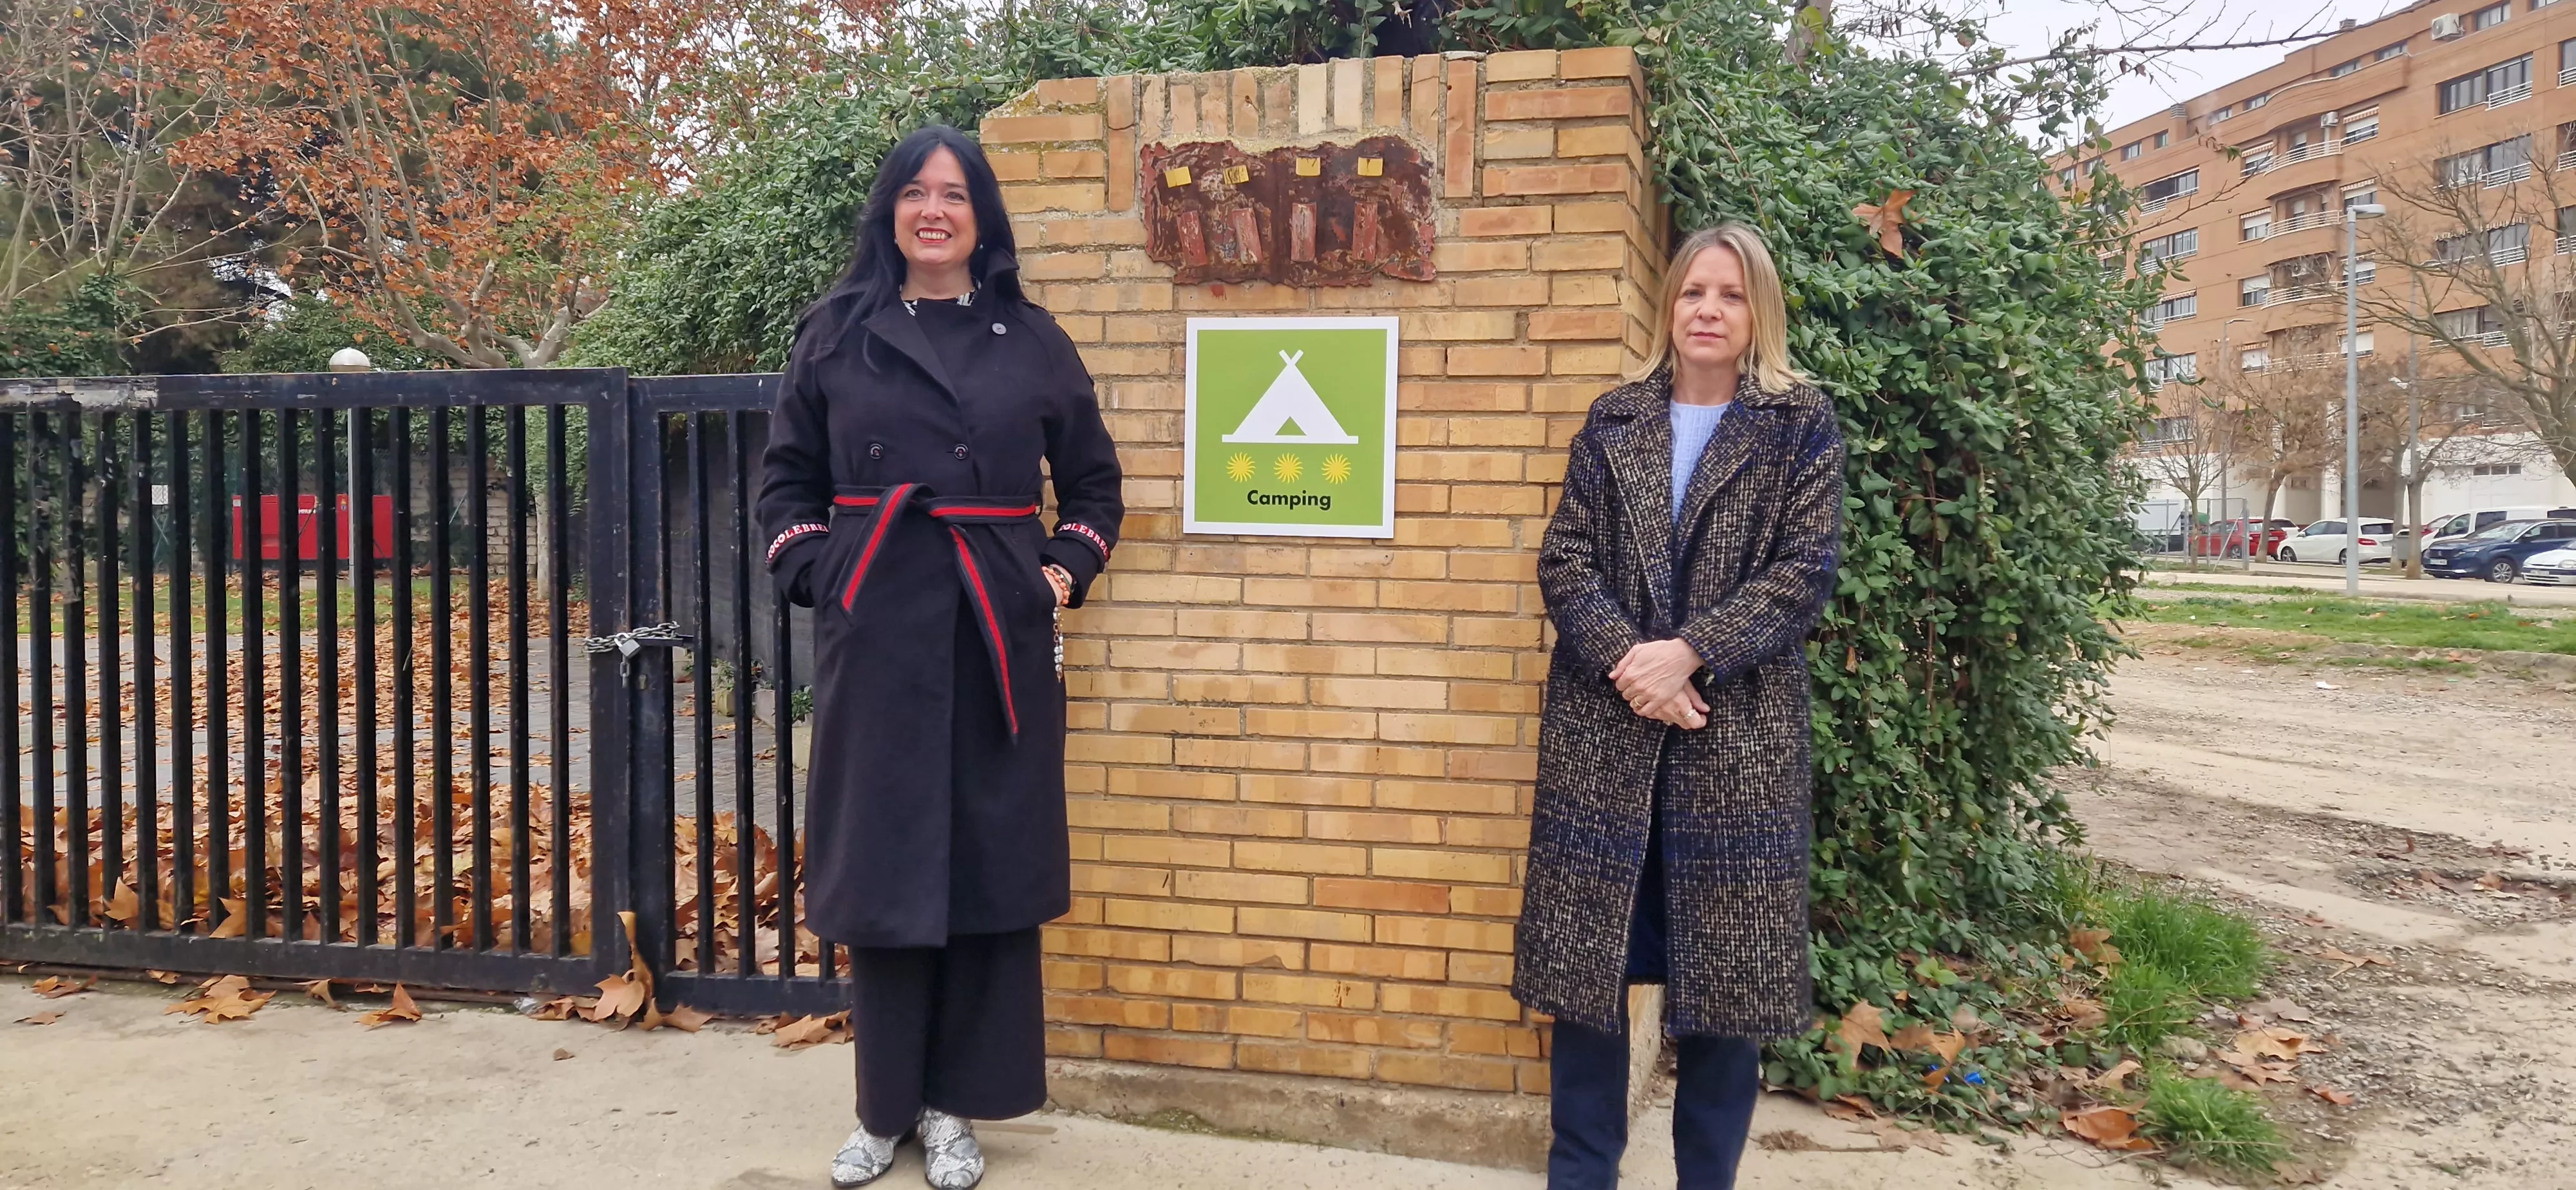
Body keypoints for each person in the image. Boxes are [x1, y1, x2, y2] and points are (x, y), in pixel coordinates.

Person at [757, 124, 1124, 1190]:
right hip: (881, 640)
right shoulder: (835, 332)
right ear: (890, 212)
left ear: (982, 218)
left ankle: (955, 1107)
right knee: (885, 875)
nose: (934, 211)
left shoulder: (1034, 338)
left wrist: (1054, 574)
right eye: (916, 194)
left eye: (955, 196)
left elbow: (1095, 488)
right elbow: (784, 486)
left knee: (982, 875)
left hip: (994, 635)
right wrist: (829, 576)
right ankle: (882, 1111)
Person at [1513, 223, 1844, 1190]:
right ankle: (1582, 1178)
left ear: (1758, 314)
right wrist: (1633, 663)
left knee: (1726, 998)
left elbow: (1803, 573)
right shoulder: (1614, 419)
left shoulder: (1799, 425)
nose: (1709, 309)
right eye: (1695, 291)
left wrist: (1693, 654)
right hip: (1603, 740)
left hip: (1733, 745)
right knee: (1588, 987)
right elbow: (1565, 559)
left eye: (1731, 296)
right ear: (1670, 306)